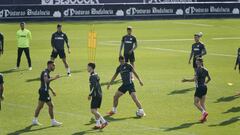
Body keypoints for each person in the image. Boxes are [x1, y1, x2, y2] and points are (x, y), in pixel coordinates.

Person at [32, 61, 62, 126]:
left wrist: (51, 90)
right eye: (53, 65)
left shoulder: (46, 72)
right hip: (44, 92)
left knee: (40, 106)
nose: (54, 67)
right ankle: (53, 121)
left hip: (43, 91)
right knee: (51, 105)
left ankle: (34, 120)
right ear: (49, 65)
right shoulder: (45, 72)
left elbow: (45, 83)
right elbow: (46, 80)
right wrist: (55, 77)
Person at [182, 58, 211, 123]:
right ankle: (204, 118)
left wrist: (186, 80)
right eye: (196, 62)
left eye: (197, 62)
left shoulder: (197, 70)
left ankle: (204, 112)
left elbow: (194, 79)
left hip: (199, 88)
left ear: (201, 62)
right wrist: (205, 83)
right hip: (205, 87)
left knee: (195, 103)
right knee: (202, 103)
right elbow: (209, 79)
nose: (196, 63)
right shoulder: (206, 70)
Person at [87, 63, 108, 129]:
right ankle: (98, 124)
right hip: (99, 94)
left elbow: (93, 87)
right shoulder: (95, 74)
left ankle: (104, 122)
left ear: (91, 67)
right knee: (95, 110)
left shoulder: (92, 76)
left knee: (93, 111)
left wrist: (90, 95)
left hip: (95, 95)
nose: (87, 68)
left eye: (88, 67)